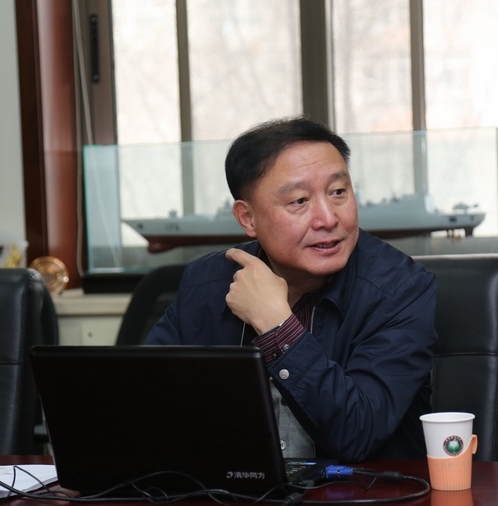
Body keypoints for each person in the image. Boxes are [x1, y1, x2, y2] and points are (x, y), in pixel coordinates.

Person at [145, 116, 438, 462]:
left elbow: (358, 433)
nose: (328, 219)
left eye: (338, 192)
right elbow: (142, 402)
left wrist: (278, 326)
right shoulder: (206, 283)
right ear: (248, 218)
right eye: (299, 201)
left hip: (357, 488)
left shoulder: (400, 289)